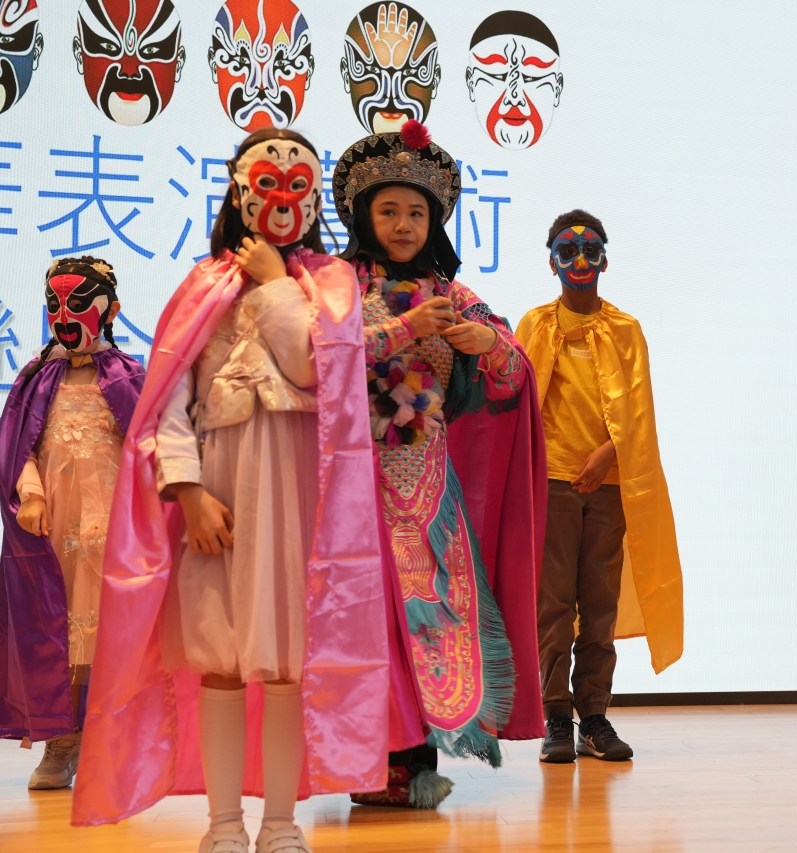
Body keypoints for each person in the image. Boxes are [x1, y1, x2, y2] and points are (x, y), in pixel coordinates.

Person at [70, 128, 393, 853]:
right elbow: (169, 402)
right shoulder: (202, 286)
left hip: (298, 501)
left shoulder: (331, 286)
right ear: (240, 191)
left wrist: (276, 281)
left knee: (285, 667)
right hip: (219, 494)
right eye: (266, 184)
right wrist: (187, 492)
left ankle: (279, 823)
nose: (281, 199)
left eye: (297, 186)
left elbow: (311, 369)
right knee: (218, 660)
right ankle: (223, 825)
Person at [330, 120, 546, 808]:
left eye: (416, 213)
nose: (403, 225)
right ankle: (361, 762)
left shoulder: (451, 292)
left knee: (428, 620)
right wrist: (402, 328)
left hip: (428, 486)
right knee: (362, 623)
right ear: (364, 216)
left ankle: (416, 762)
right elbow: (316, 357)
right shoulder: (336, 286)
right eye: (389, 210)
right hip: (351, 486)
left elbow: (514, 372)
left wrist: (488, 341)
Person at [517, 210, 684, 764]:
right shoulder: (534, 325)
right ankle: (555, 717)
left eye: (591, 250)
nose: (580, 260)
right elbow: (518, 404)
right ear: (552, 262)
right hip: (552, 482)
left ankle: (594, 715)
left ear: (606, 260)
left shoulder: (625, 329)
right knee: (553, 605)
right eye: (568, 251)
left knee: (599, 604)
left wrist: (609, 454)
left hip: (609, 484)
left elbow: (640, 412)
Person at [0, 256, 145, 790]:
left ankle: (110, 739)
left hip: (112, 527)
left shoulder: (128, 376)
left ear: (111, 309)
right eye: (55, 304)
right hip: (53, 528)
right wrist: (31, 495)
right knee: (59, 630)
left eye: (79, 304)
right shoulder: (35, 378)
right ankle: (62, 739)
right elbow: (17, 447)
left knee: (110, 632)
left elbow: (149, 450)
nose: (65, 316)